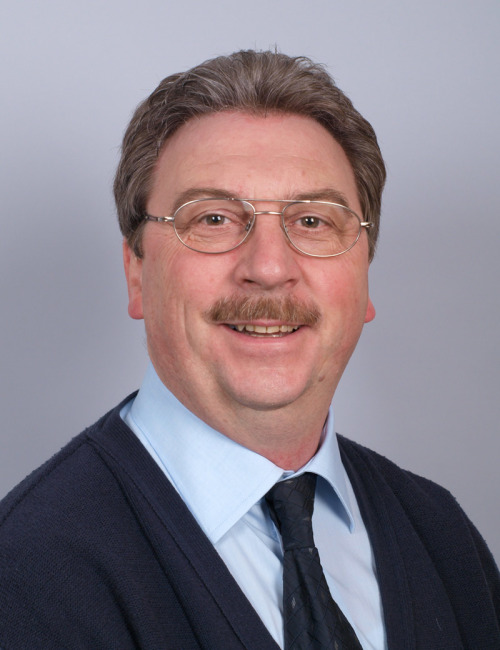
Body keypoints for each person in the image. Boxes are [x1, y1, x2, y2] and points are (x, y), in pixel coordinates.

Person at [0, 50, 498, 650]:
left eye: (313, 222)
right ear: (136, 272)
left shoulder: (443, 538)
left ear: (364, 275)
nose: (268, 268)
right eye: (213, 219)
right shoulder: (28, 574)